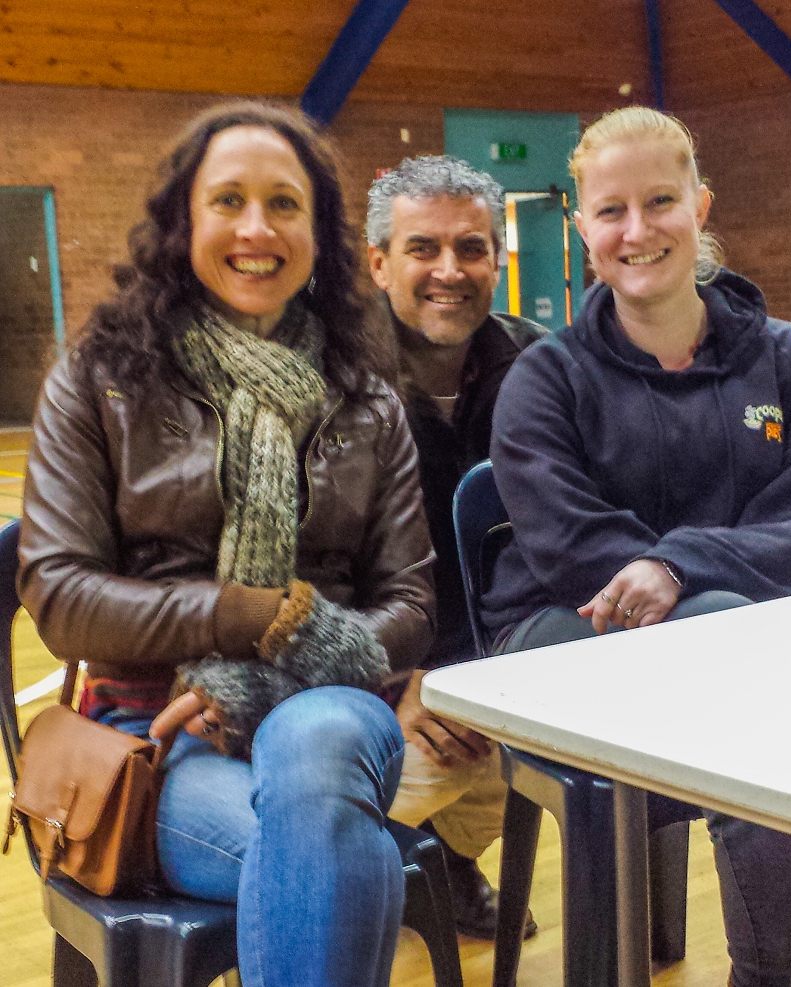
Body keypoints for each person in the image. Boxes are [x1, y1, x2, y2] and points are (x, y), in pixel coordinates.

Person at [17, 102, 436, 987]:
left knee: (320, 752)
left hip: (331, 705)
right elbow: (57, 594)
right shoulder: (98, 378)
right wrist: (238, 615)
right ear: (183, 222)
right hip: (151, 731)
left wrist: (264, 671)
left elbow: (411, 607)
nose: (257, 228)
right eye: (229, 201)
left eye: (285, 204)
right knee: (334, 860)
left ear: (319, 232)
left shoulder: (369, 399)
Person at [482, 107, 791, 987]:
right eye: (611, 210)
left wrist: (677, 563)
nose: (638, 230)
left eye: (661, 201)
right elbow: (567, 543)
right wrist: (689, 578)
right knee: (755, 662)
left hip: (733, 651)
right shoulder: (546, 378)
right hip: (557, 638)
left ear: (701, 205)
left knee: (753, 664)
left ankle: (771, 971)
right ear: (581, 228)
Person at [366, 155, 546, 939]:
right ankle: (383, 861)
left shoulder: (542, 368)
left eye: (471, 248)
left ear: (498, 261)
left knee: (571, 736)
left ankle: (441, 852)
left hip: (488, 663)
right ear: (378, 263)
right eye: (423, 248)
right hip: (374, 672)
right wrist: (397, 682)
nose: (450, 270)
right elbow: (303, 576)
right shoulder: (327, 381)